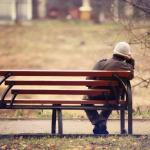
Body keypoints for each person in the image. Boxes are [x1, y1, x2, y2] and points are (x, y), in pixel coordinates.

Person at [84, 41, 135, 135]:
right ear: (126, 56)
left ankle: (98, 123)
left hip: (95, 95)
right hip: (112, 97)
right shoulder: (124, 66)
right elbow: (130, 76)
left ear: (114, 52)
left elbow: (88, 82)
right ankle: (101, 123)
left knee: (85, 99)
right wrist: (131, 62)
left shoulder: (101, 63)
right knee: (113, 98)